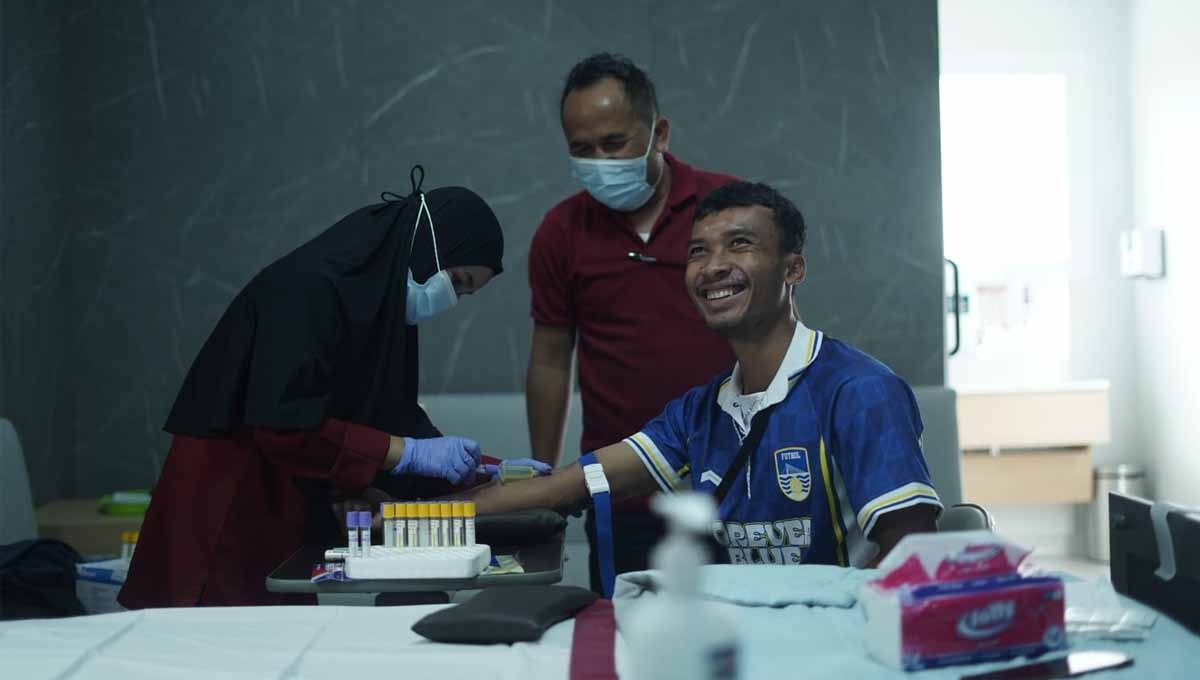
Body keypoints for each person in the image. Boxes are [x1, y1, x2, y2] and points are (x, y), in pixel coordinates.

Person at [120, 168, 541, 608]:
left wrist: (488, 468)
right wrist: (409, 453)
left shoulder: (376, 308)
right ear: (425, 248)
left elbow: (388, 415)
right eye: (456, 281)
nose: (451, 299)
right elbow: (285, 425)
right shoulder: (307, 289)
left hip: (288, 499)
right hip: (229, 496)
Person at [479, 181, 941, 573]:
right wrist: (421, 515)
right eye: (699, 251)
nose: (713, 266)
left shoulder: (859, 391)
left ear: (793, 268)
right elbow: (569, 486)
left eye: (740, 244)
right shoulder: (698, 412)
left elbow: (912, 558)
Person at [527, 53, 738, 592]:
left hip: (737, 481)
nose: (600, 160)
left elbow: (777, 334)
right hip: (619, 487)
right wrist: (544, 477)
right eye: (582, 149)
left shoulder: (728, 209)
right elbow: (551, 359)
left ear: (658, 133)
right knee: (625, 646)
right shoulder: (561, 231)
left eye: (614, 143)